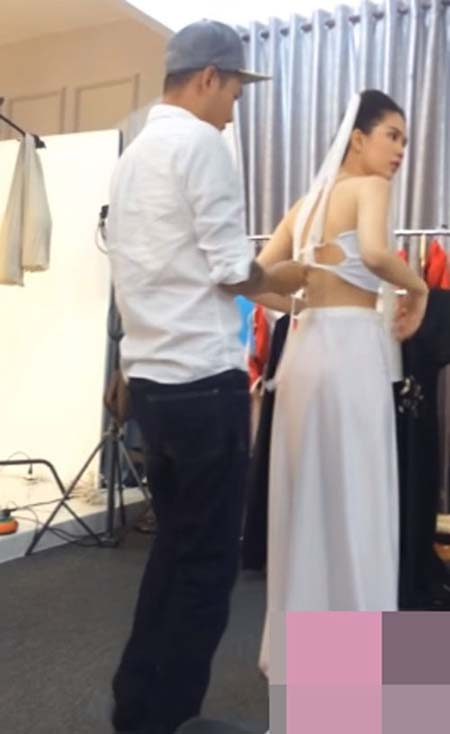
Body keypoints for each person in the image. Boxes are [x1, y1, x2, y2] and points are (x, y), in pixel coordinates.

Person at [106, 19, 307, 734]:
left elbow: (160, 268)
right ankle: (168, 720)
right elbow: (229, 269)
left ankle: (138, 706)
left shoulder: (136, 152)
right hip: (201, 384)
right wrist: (292, 280)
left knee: (174, 554)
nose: (234, 111)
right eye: (233, 94)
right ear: (208, 78)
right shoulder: (200, 144)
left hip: (155, 385)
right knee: (204, 571)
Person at [254, 90, 428, 676]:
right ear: (358, 138)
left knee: (308, 498)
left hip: (304, 352)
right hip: (351, 351)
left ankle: (303, 657)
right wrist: (418, 288)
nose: (400, 151)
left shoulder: (304, 205)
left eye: (405, 140)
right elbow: (376, 254)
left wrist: (303, 302)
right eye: (392, 136)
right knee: (357, 497)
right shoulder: (370, 188)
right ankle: (359, 665)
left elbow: (253, 280)